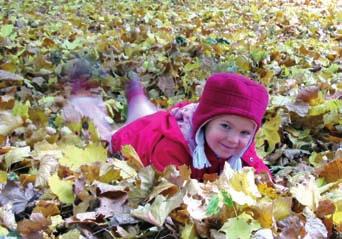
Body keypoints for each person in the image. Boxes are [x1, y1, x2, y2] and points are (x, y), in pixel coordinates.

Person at [63, 71, 271, 180]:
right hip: (131, 142)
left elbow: (260, 172)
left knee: (151, 117)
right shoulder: (173, 149)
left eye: (245, 132)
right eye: (225, 126)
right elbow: (172, 191)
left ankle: (137, 98)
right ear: (205, 123)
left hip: (157, 124)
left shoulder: (240, 144)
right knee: (104, 133)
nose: (234, 139)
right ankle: (83, 98)